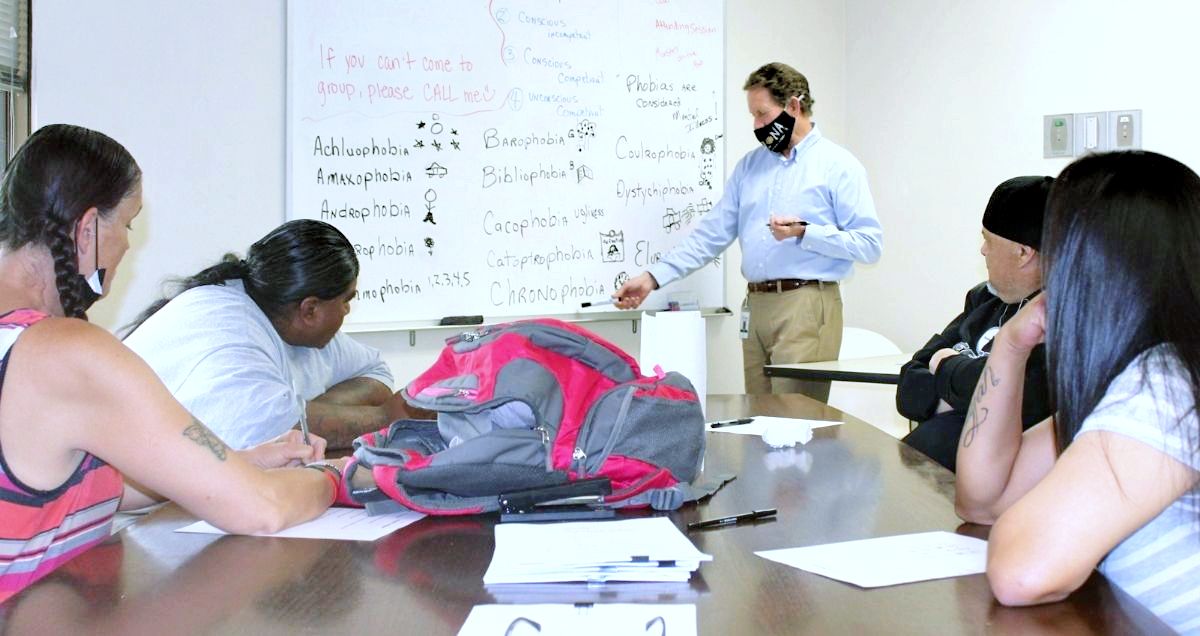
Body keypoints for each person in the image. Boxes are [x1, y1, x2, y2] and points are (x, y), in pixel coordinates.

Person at [0, 124, 349, 599]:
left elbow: (59, 493)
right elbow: (261, 510)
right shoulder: (66, 351)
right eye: (127, 224)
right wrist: (334, 476)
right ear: (87, 231)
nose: (126, 245)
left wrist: (237, 465)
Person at [955, 150, 1200, 633]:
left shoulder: (1167, 386)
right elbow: (981, 499)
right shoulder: (1144, 373)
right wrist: (1010, 346)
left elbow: (1022, 572)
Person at [614, 62, 883, 399]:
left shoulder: (838, 165)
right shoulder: (749, 167)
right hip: (755, 307)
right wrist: (653, 278)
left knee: (795, 421)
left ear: (794, 106)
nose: (757, 125)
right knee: (758, 418)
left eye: (762, 113)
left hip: (807, 305)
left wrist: (806, 232)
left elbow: (870, 245)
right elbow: (710, 235)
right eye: (753, 116)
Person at [122, 219, 424, 450]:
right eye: (346, 300)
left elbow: (375, 373)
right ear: (310, 310)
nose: (347, 310)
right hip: (137, 513)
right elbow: (269, 432)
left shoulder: (287, 320)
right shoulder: (232, 330)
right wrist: (386, 418)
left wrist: (307, 409)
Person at [896, 176, 1054, 471]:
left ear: (1023, 252)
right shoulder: (983, 299)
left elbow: (1021, 400)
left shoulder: (1059, 319)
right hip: (924, 483)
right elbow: (909, 385)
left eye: (989, 240)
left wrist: (945, 369)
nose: (983, 250)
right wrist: (972, 400)